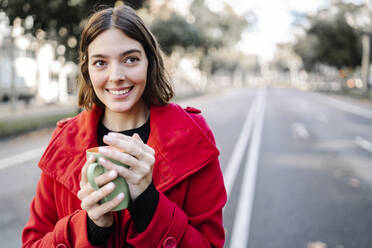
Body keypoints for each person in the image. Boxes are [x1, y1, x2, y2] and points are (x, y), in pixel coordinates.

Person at [22, 4, 226, 248]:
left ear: (149, 62)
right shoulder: (65, 140)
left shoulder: (192, 134)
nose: (116, 75)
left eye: (130, 59)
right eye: (100, 63)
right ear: (87, 69)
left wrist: (148, 204)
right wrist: (89, 228)